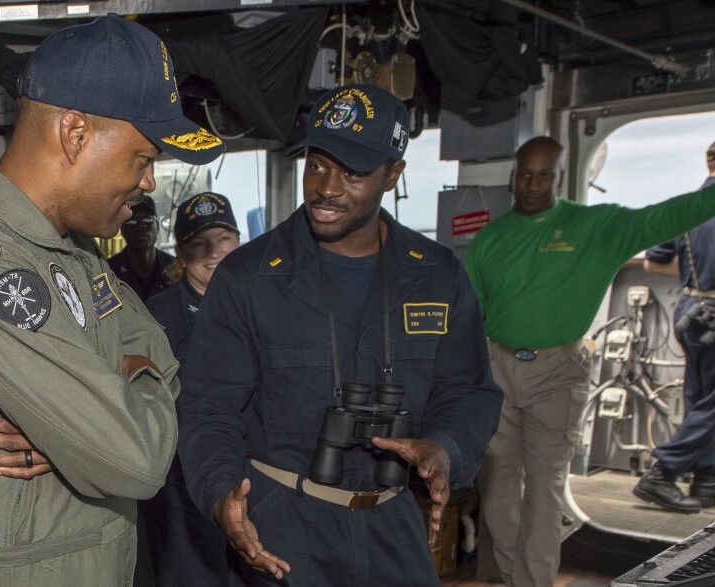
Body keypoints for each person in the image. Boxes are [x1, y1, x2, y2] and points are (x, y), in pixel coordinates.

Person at [0, 14, 224, 586]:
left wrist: (80, 426)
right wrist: (102, 421)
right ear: (75, 134)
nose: (147, 184)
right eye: (143, 158)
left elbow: (159, 354)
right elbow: (136, 459)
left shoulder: (74, 248)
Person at [177, 83, 503, 586]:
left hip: (394, 526)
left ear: (393, 174)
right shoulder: (249, 277)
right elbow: (208, 407)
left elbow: (468, 390)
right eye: (317, 166)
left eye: (352, 173)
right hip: (281, 530)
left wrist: (446, 449)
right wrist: (222, 494)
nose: (327, 189)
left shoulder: (437, 274)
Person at [464, 136, 715, 587]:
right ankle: (509, 574)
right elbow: (471, 314)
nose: (533, 184)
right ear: (511, 178)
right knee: (497, 490)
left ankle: (532, 582)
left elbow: (672, 215)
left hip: (559, 373)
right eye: (524, 175)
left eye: (544, 175)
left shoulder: (598, 226)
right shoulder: (490, 239)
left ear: (560, 178)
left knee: (544, 488)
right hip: (496, 365)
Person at [142, 192, 241, 586]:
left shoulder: (260, 304)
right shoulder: (158, 314)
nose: (212, 252)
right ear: (180, 253)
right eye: (198, 242)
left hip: (251, 473)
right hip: (182, 481)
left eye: (222, 238)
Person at [633, 141, 715, 513]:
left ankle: (706, 480)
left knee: (699, 397)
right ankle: (663, 472)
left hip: (690, 307)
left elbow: (653, 262)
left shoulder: (687, 206)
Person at [108, 194, 175, 301]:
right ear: (122, 230)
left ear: (157, 226)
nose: (140, 225)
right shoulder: (109, 271)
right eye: (132, 220)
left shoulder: (175, 267)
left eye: (146, 219)